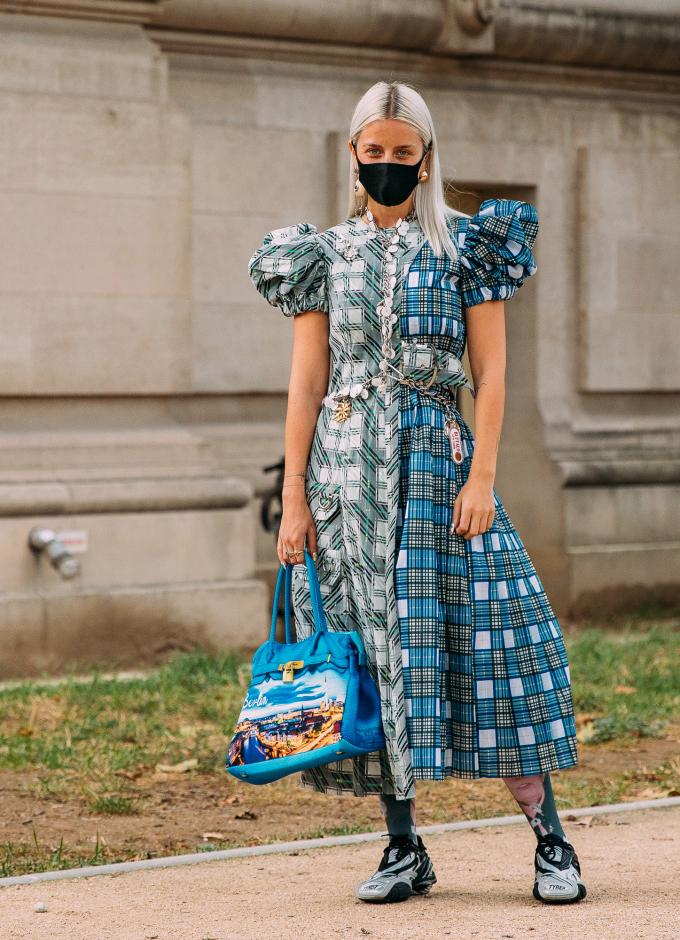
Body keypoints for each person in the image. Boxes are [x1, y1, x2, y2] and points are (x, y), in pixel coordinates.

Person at [247, 79, 586, 906]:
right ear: (354, 155)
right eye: (376, 153)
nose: (390, 166)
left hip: (440, 463)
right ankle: (403, 846)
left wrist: (484, 475)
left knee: (492, 640)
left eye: (405, 153)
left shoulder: (468, 245)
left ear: (427, 159)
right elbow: (304, 386)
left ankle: (551, 840)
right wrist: (294, 498)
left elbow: (494, 372)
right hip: (345, 478)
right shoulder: (321, 255)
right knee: (369, 652)